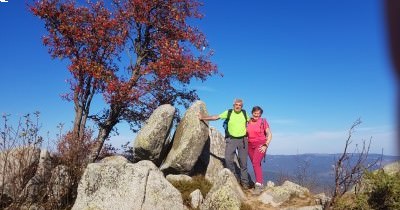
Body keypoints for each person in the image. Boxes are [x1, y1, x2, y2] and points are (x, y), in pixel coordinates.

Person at [199, 98, 251, 188]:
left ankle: (245, 183)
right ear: (233, 105)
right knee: (228, 159)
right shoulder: (229, 112)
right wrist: (202, 117)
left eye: (240, 105)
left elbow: (251, 123)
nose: (238, 106)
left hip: (243, 140)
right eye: (236, 105)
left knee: (243, 163)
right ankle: (235, 179)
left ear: (242, 106)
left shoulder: (244, 113)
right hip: (231, 140)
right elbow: (216, 117)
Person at [246, 106, 272, 195]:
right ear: (252, 113)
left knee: (256, 163)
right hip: (249, 145)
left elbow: (269, 134)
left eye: (258, 113)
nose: (256, 115)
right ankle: (260, 183)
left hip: (261, 144)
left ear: (260, 114)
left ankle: (258, 185)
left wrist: (266, 145)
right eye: (255, 113)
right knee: (255, 163)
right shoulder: (248, 121)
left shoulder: (263, 121)